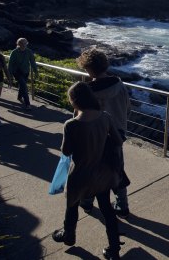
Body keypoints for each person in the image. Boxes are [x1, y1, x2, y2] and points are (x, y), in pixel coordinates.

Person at [52, 82, 123, 260]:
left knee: (72, 205)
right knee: (107, 209)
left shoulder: (71, 125)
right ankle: (113, 249)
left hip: (80, 175)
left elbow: (66, 151)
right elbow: (118, 141)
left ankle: (69, 235)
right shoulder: (105, 117)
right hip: (102, 173)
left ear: (75, 101)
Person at [76, 48, 131, 218]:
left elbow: (79, 117)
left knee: (91, 171)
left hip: (94, 138)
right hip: (117, 135)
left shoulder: (86, 91)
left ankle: (86, 202)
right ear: (105, 65)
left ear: (88, 69)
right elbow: (127, 108)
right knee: (117, 169)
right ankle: (122, 205)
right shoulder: (119, 84)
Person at [8, 38, 38, 110]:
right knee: (24, 86)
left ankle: (19, 97)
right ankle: (27, 104)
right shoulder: (14, 52)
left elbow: (32, 62)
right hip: (17, 72)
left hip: (26, 72)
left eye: (25, 43)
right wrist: (10, 75)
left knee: (22, 85)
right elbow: (10, 64)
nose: (24, 45)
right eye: (22, 43)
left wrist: (36, 71)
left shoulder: (29, 52)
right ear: (18, 44)